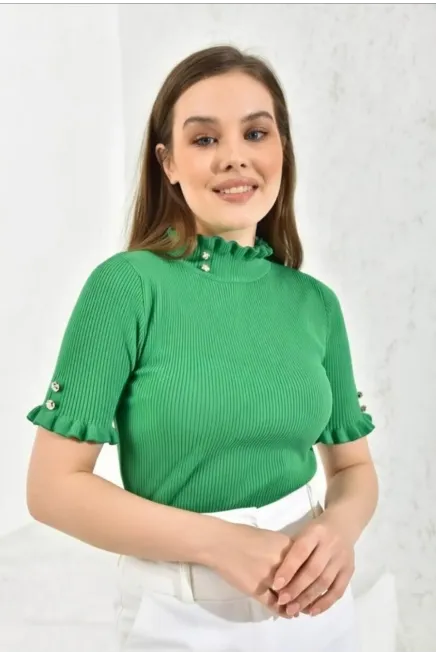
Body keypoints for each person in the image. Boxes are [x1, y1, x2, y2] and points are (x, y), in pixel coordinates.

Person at [26, 45, 378, 653]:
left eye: (256, 133)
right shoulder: (127, 287)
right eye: (205, 139)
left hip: (321, 615)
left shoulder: (315, 303)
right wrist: (221, 544)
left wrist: (339, 531)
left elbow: (353, 468)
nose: (235, 156)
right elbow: (52, 488)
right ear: (167, 162)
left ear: (282, 149)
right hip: (179, 618)